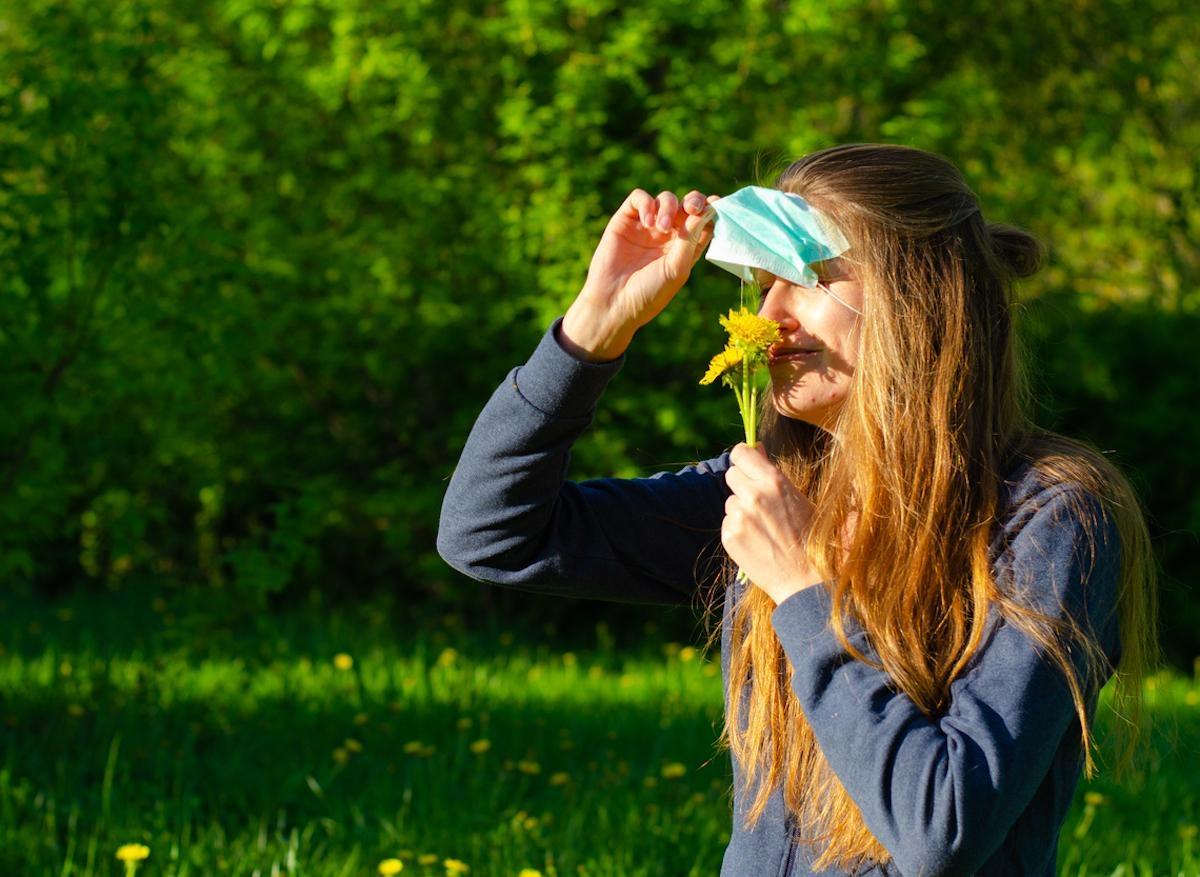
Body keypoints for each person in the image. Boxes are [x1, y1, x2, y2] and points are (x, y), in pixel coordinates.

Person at [437, 143, 1160, 876]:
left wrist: (803, 588)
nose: (767, 316)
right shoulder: (779, 486)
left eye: (805, 279)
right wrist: (590, 332)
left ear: (921, 296)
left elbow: (942, 826)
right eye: (761, 283)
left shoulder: (1050, 514)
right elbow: (488, 533)